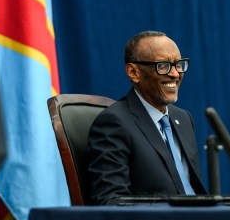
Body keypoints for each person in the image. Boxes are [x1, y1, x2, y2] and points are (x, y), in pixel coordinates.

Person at [88, 31, 206, 203]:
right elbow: (111, 202)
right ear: (133, 72)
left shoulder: (183, 119)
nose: (175, 74)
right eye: (163, 65)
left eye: (179, 64)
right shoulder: (114, 124)